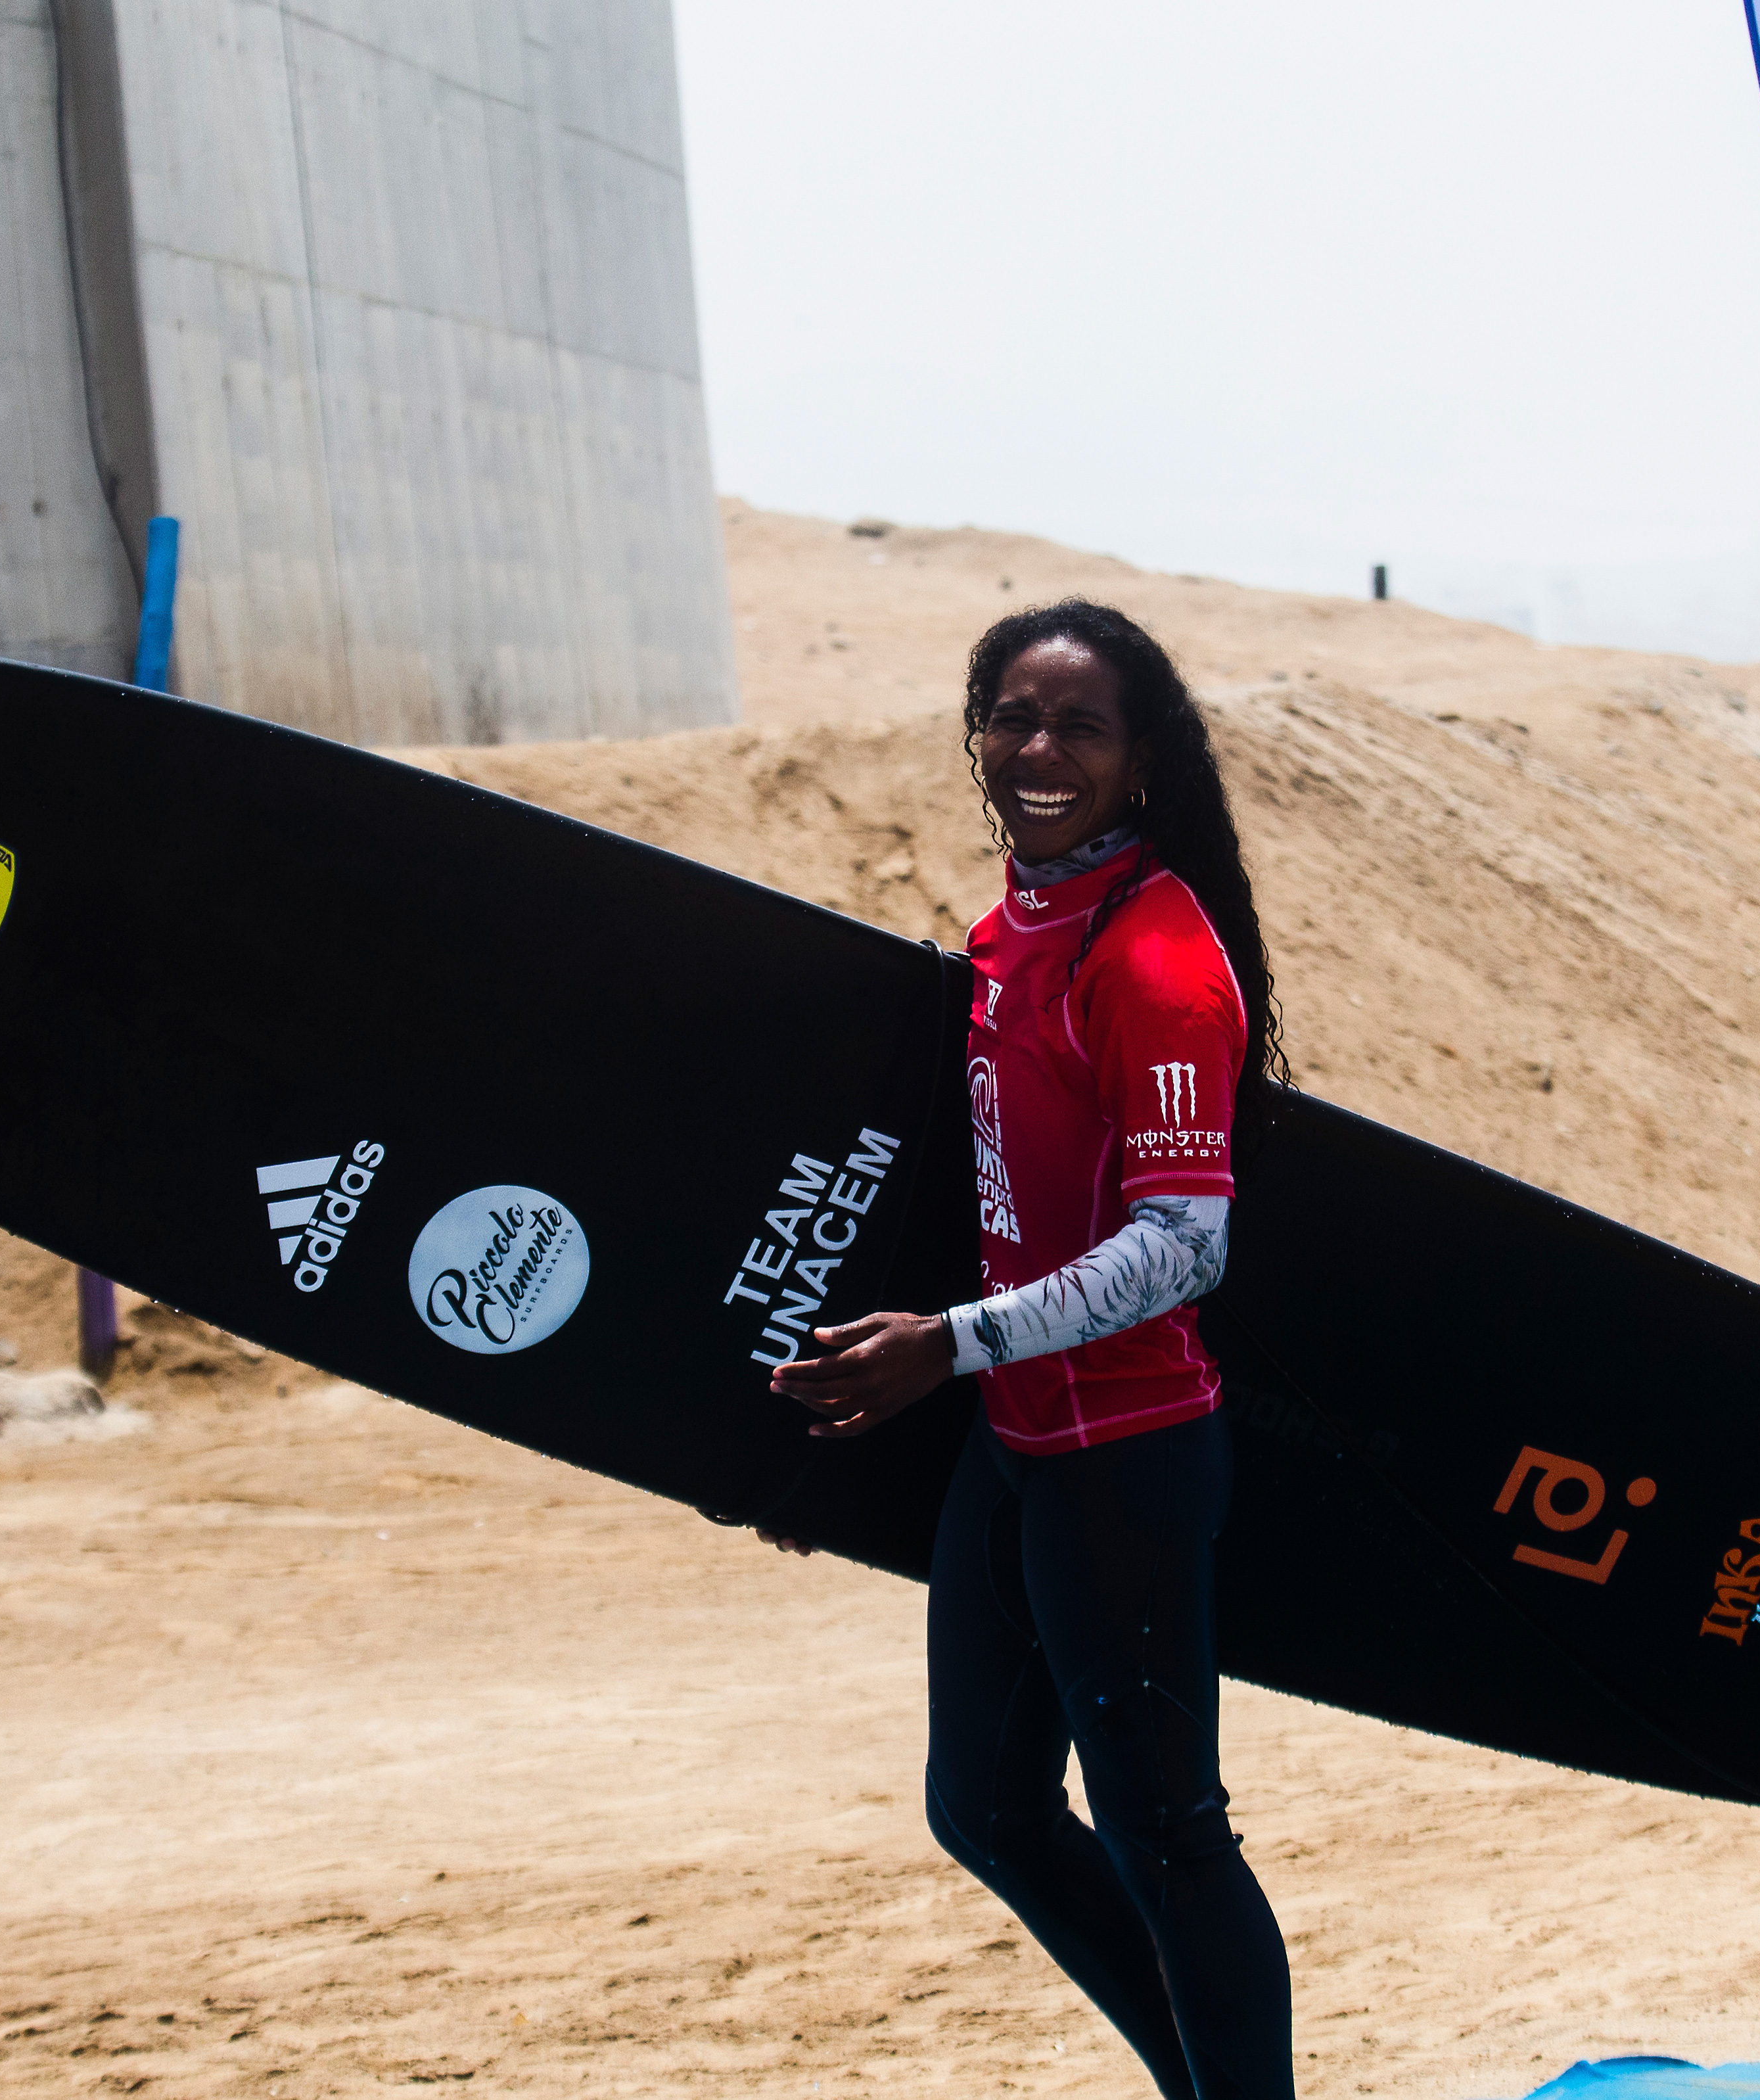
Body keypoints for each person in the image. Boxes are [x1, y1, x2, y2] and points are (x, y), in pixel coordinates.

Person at [763, 601, 1296, 2099]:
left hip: (1125, 1455)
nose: (1039, 748)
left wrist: (954, 1341)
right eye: (1013, 716)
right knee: (986, 1804)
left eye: (1080, 726)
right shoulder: (1016, 935)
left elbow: (1187, 1244)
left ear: (1143, 763)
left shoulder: (1153, 965)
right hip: (1019, 1441)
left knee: (1167, 1825)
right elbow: (987, 1205)